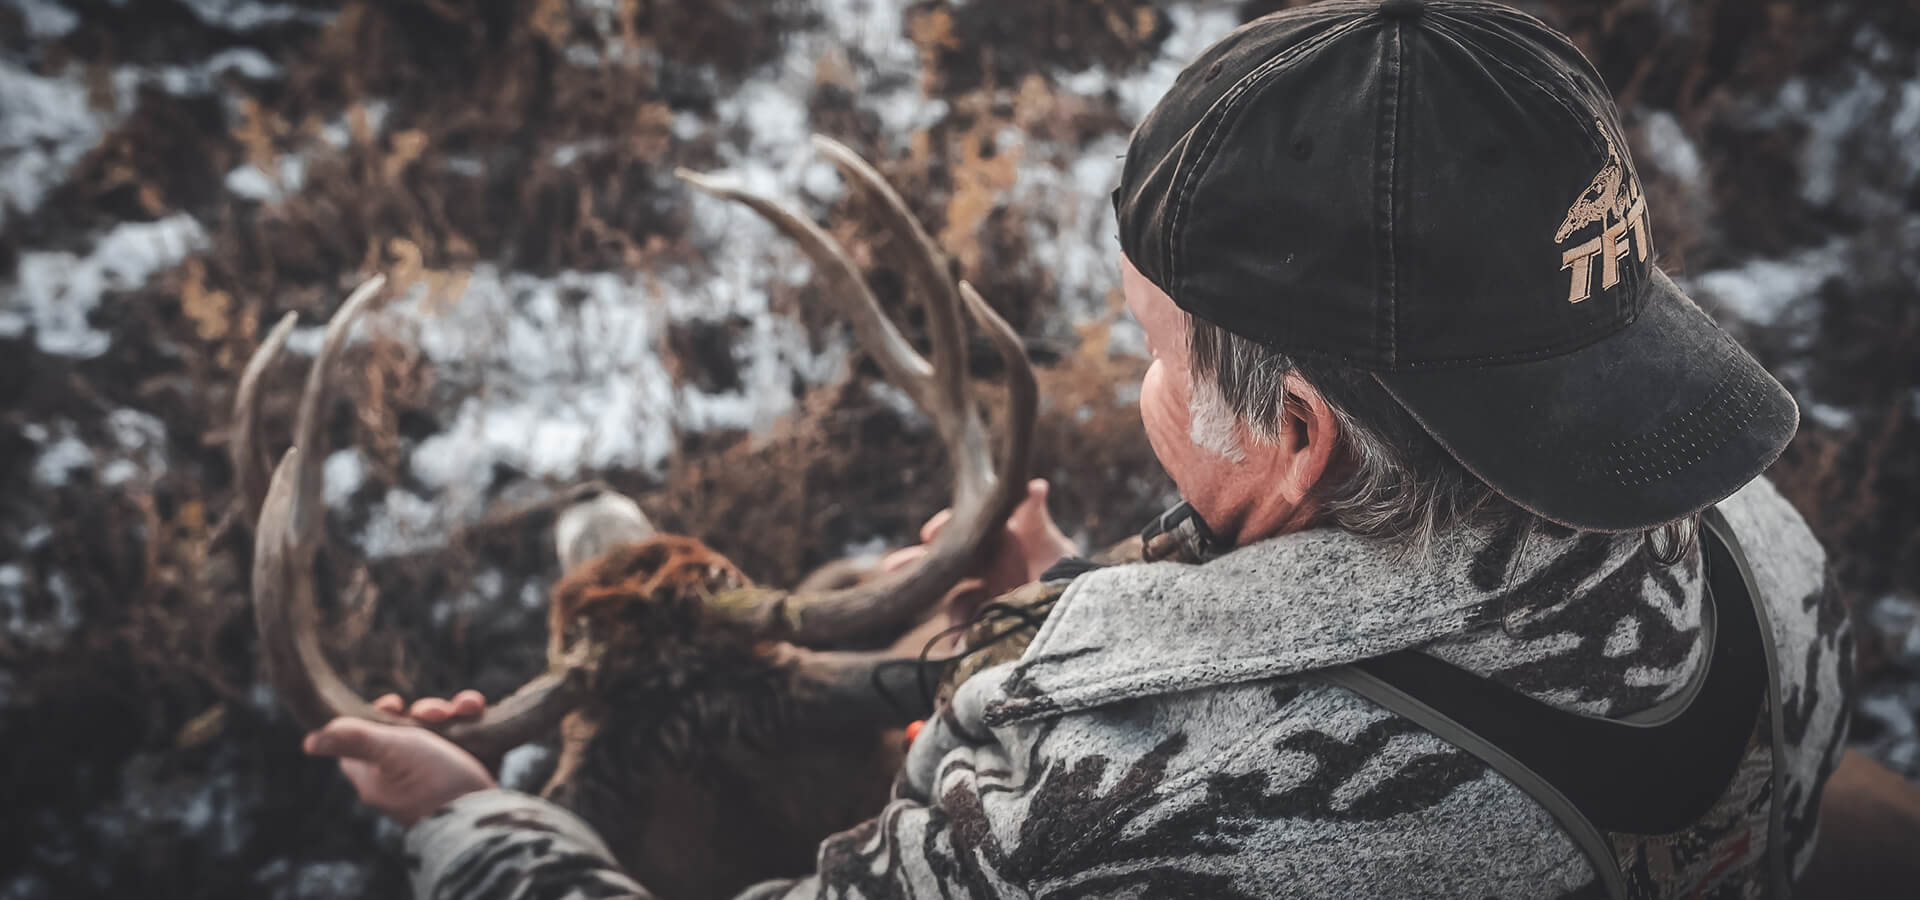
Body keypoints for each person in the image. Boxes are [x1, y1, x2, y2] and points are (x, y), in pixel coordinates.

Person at [302, 1, 1872, 896]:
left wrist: (474, 818)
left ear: (1305, 435)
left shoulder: (1111, 809)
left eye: (1151, 350)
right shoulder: (1756, 537)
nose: (1140, 386)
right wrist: (1077, 603)